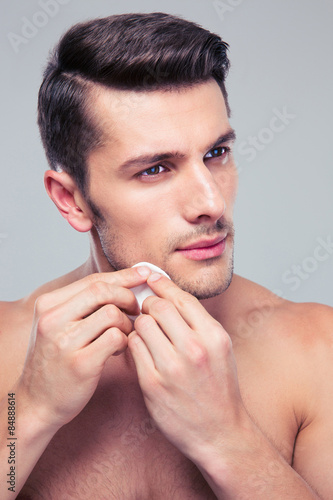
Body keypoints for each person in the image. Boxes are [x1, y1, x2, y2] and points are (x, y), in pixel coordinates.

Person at [0, 12, 332, 499]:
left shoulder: (317, 351)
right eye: (156, 169)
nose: (211, 204)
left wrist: (229, 440)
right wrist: (26, 413)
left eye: (216, 153)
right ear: (71, 200)